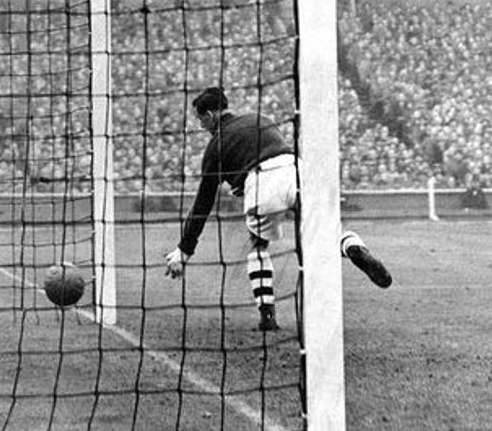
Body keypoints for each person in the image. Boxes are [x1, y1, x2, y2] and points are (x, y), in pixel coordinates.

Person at [164, 87, 393, 332]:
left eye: (201, 120)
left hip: (262, 183)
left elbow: (203, 203)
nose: (201, 126)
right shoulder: (261, 118)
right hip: (296, 170)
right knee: (325, 231)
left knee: (258, 245)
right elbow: (269, 151)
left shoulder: (215, 146)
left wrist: (184, 249)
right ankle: (353, 247)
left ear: (209, 114)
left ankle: (267, 315)